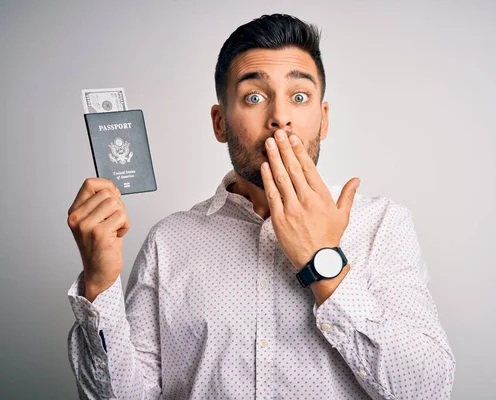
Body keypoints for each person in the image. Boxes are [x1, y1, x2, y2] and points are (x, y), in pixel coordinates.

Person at [66, 13, 456, 399]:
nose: (280, 118)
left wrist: (322, 261)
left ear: (323, 120)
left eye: (299, 97)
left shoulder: (383, 225)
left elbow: (427, 390)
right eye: (254, 97)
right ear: (220, 123)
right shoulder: (167, 242)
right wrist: (99, 284)